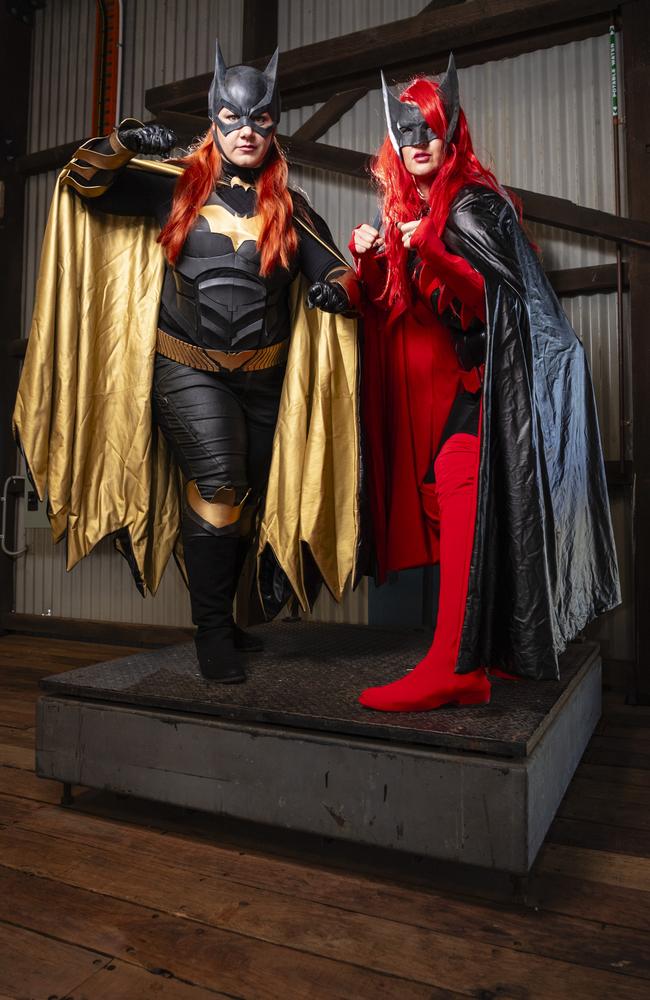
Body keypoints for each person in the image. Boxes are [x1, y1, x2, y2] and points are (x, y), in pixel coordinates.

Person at [13, 43, 361, 684]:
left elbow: (330, 265)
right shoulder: (171, 183)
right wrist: (120, 140)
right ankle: (210, 635)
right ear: (214, 118)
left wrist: (342, 285)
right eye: (233, 119)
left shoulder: (290, 205)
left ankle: (224, 620)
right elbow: (87, 181)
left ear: (275, 123)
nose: (247, 131)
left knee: (244, 499)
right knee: (221, 483)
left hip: (265, 378)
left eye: (261, 120)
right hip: (186, 368)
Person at [350, 55, 620, 712]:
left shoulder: (471, 205)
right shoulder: (416, 211)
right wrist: (369, 258)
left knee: (463, 477)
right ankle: (474, 658)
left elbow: (492, 300)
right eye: (407, 132)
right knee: (459, 485)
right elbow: (401, 310)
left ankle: (454, 664)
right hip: (479, 383)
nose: (419, 144)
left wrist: (430, 247)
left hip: (510, 382)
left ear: (452, 136)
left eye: (431, 131)